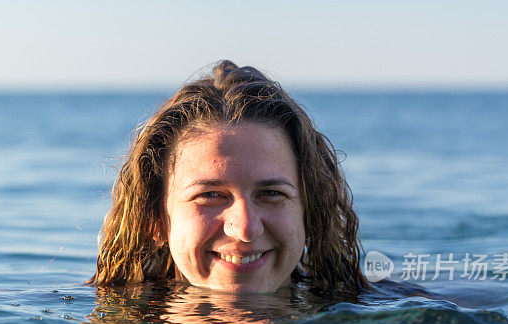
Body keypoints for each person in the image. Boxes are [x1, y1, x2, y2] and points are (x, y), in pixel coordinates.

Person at [90, 60, 368, 295]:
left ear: (309, 211)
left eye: (271, 193)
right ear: (156, 220)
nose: (245, 229)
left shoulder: (387, 314)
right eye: (209, 195)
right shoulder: (93, 314)